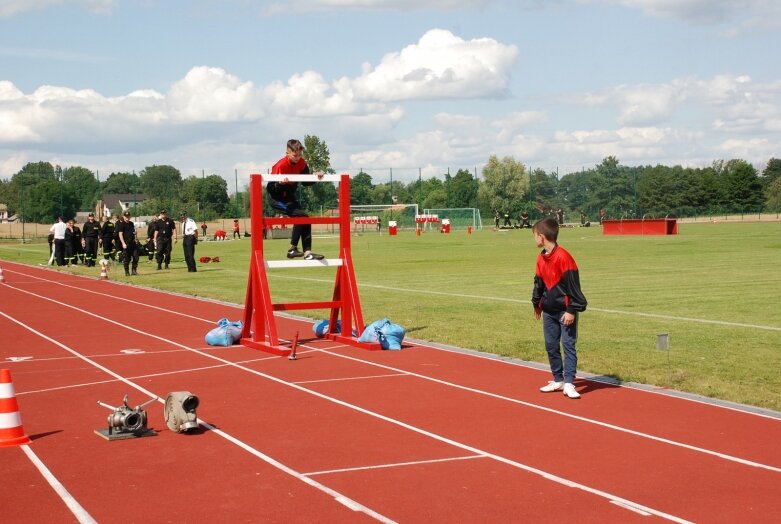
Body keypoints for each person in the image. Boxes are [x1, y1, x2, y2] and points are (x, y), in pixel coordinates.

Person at [531, 217, 588, 399]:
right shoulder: (541, 259)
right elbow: (538, 283)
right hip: (548, 310)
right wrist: (537, 303)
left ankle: (569, 382)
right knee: (551, 345)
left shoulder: (564, 257)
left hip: (565, 311)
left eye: (534, 235)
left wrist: (572, 310)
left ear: (541, 236)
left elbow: (574, 287)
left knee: (568, 345)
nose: (534, 239)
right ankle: (558, 379)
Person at [266, 138, 325, 260]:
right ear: (287, 153)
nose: (298, 157)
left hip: (289, 197)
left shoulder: (302, 163)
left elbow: (305, 182)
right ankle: (292, 249)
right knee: (301, 217)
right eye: (295, 155)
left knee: (305, 218)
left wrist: (315, 176)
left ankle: (307, 253)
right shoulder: (280, 165)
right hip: (276, 198)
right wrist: (279, 184)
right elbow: (270, 188)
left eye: (300, 154)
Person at [116, 211, 139, 276]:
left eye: (128, 216)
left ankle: (134, 270)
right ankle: (127, 271)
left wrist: (135, 236)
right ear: (123, 217)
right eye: (126, 216)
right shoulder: (121, 224)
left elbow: (134, 232)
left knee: (136, 257)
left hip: (133, 243)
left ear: (130, 216)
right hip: (126, 244)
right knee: (127, 258)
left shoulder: (131, 223)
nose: (127, 217)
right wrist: (123, 243)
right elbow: (120, 234)